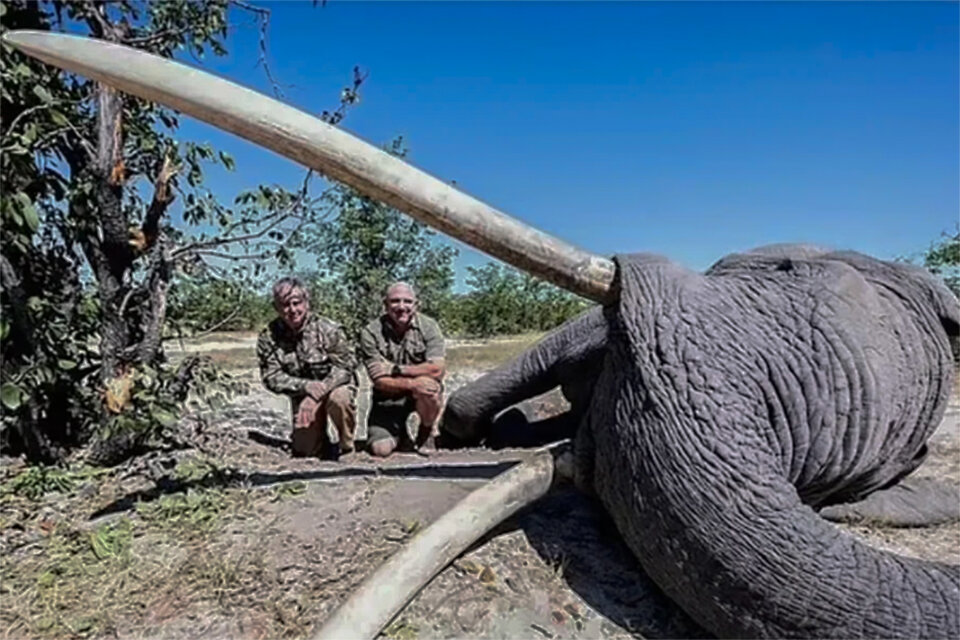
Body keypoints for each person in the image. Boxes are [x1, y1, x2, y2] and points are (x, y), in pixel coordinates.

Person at [257, 277, 358, 458]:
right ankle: (321, 441)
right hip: (301, 394)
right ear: (276, 307)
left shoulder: (329, 329)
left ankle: (347, 446)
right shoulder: (269, 336)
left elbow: (345, 367)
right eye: (285, 305)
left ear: (307, 302)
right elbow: (271, 376)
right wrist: (305, 387)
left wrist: (316, 393)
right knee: (305, 451)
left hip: (334, 386)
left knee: (340, 399)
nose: (292, 310)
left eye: (297, 303)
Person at [359, 282, 446, 457]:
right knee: (380, 450)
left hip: (421, 393)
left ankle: (426, 431)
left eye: (407, 301)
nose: (401, 307)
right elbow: (379, 379)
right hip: (387, 398)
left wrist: (396, 369)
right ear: (385, 305)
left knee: (430, 387)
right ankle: (400, 435)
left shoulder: (429, 326)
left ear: (416, 304)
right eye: (395, 301)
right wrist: (413, 383)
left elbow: (437, 370)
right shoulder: (371, 332)